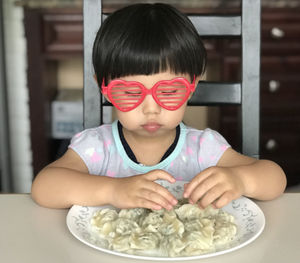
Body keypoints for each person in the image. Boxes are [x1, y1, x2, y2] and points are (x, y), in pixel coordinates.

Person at [31, 3, 286, 210]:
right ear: (103, 86)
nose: (151, 108)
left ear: (192, 85)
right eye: (131, 92)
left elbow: (274, 178)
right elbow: (44, 187)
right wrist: (113, 189)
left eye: (170, 91)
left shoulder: (203, 149)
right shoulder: (97, 147)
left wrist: (240, 180)